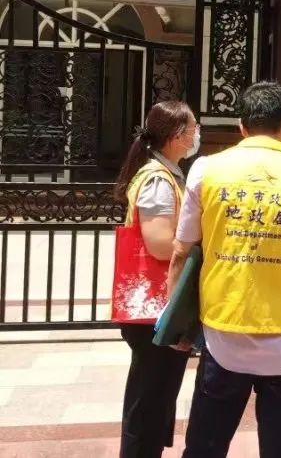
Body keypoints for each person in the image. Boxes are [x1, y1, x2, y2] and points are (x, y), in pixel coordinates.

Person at [167, 81, 281, 458]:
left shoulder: (205, 171)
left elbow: (181, 252)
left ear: (242, 127)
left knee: (205, 446)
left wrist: (176, 321)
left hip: (223, 334)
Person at [113, 100, 200, 458]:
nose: (196, 135)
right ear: (178, 136)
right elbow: (161, 244)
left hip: (159, 305)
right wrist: (200, 241)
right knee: (149, 400)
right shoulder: (158, 180)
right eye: (193, 129)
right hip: (155, 308)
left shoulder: (168, 174)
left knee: (156, 397)